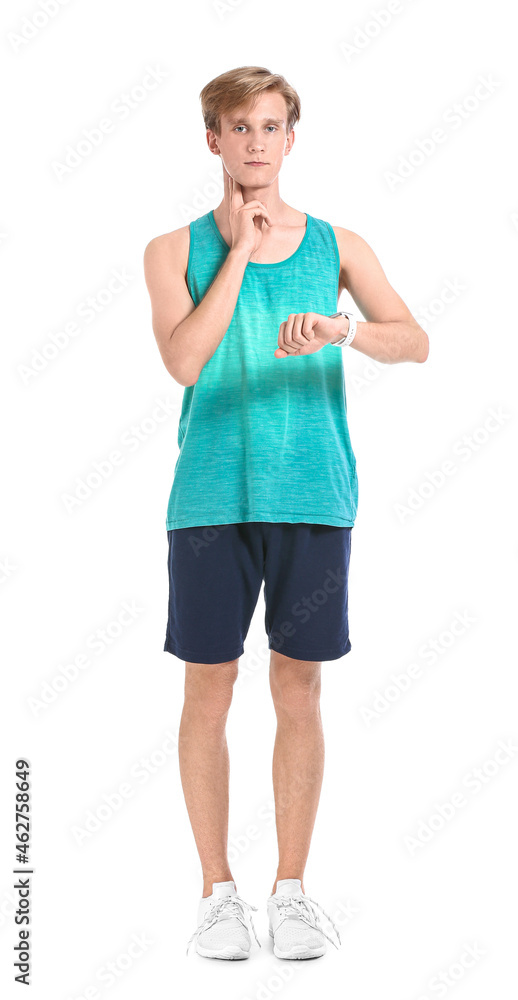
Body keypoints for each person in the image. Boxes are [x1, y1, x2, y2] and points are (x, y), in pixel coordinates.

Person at [143, 65, 429, 962]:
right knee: (209, 686)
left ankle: (293, 891)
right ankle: (216, 893)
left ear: (291, 139)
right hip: (210, 500)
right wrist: (236, 250)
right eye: (240, 127)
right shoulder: (172, 248)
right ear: (214, 141)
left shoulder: (337, 244)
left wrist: (341, 328)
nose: (257, 141)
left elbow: (413, 340)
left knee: (299, 686)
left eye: (272, 126)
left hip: (313, 496)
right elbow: (186, 362)